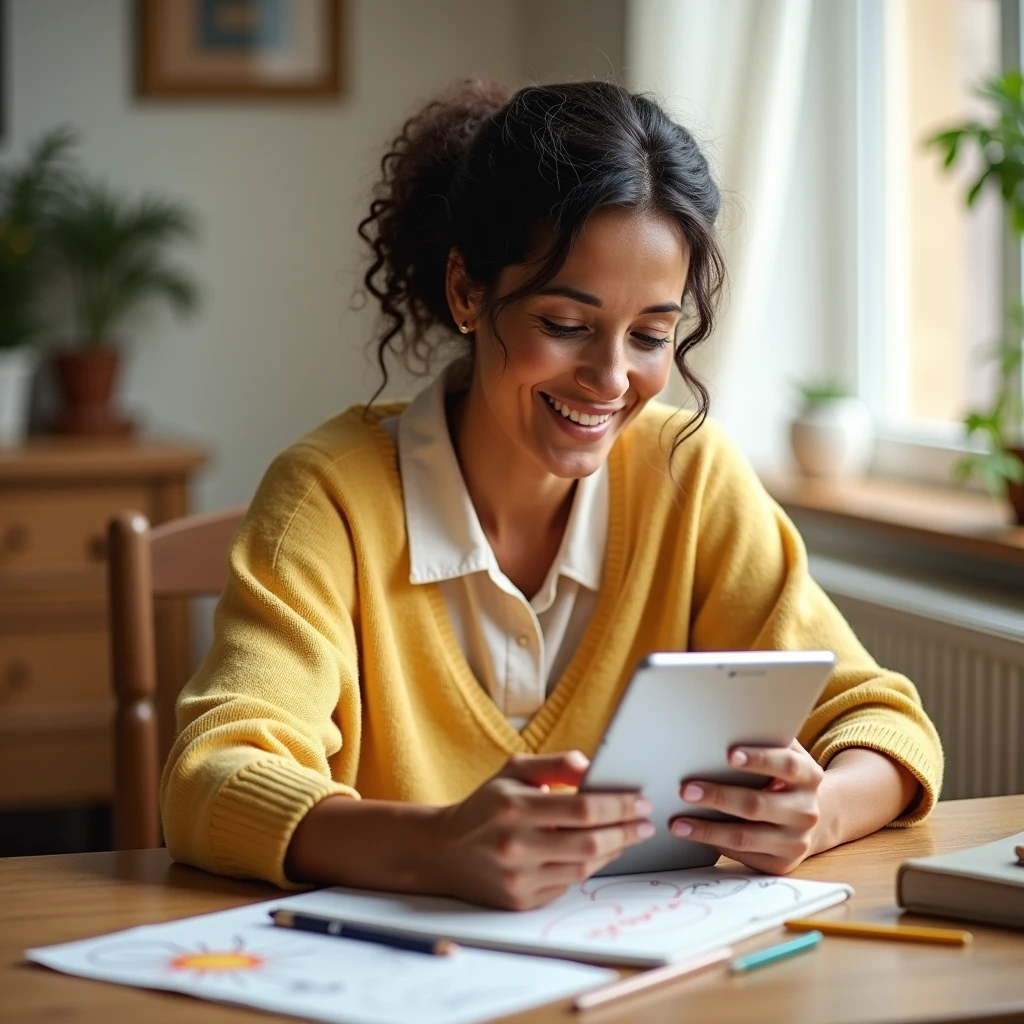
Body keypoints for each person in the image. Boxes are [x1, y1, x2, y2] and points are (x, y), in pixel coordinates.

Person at [161, 79, 943, 910]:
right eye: (566, 325)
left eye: (651, 335)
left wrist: (819, 812)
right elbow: (212, 777)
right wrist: (433, 847)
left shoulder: (691, 475)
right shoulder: (329, 498)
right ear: (467, 292)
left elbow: (884, 723)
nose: (612, 378)